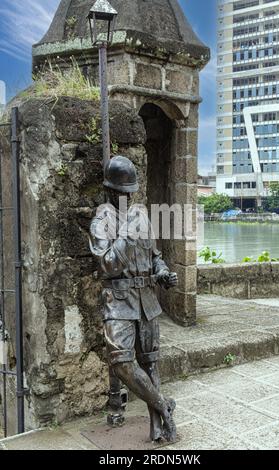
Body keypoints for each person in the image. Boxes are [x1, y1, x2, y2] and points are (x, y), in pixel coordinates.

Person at [90, 155, 178, 443]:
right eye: (122, 193)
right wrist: (127, 232)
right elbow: (107, 265)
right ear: (111, 191)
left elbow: (156, 259)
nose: (128, 197)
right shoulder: (102, 219)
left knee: (151, 362)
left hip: (146, 299)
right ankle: (165, 406)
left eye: (131, 192)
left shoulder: (140, 215)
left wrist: (164, 273)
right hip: (118, 300)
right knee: (123, 363)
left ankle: (158, 425)